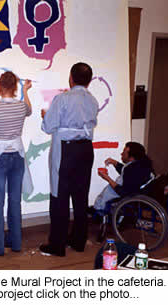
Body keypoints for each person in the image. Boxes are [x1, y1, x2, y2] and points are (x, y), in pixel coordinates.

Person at [40, 62, 99, 257]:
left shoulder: (62, 98)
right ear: (89, 81)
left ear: (70, 78)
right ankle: (79, 241)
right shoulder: (93, 100)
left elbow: (48, 127)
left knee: (59, 197)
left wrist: (45, 115)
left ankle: (57, 245)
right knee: (81, 197)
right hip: (86, 150)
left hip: (66, 151)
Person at [0, 71, 33, 256]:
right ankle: (16, 243)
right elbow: (29, 110)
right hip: (17, 155)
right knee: (15, 200)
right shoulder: (21, 107)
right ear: (14, 87)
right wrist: (25, 90)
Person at [93, 142, 154, 212]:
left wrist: (107, 178)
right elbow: (127, 174)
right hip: (138, 193)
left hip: (123, 197)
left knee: (102, 199)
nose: (121, 154)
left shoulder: (132, 169)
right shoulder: (140, 165)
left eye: (124, 152)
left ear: (131, 157)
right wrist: (114, 162)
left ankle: (98, 213)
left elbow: (123, 192)